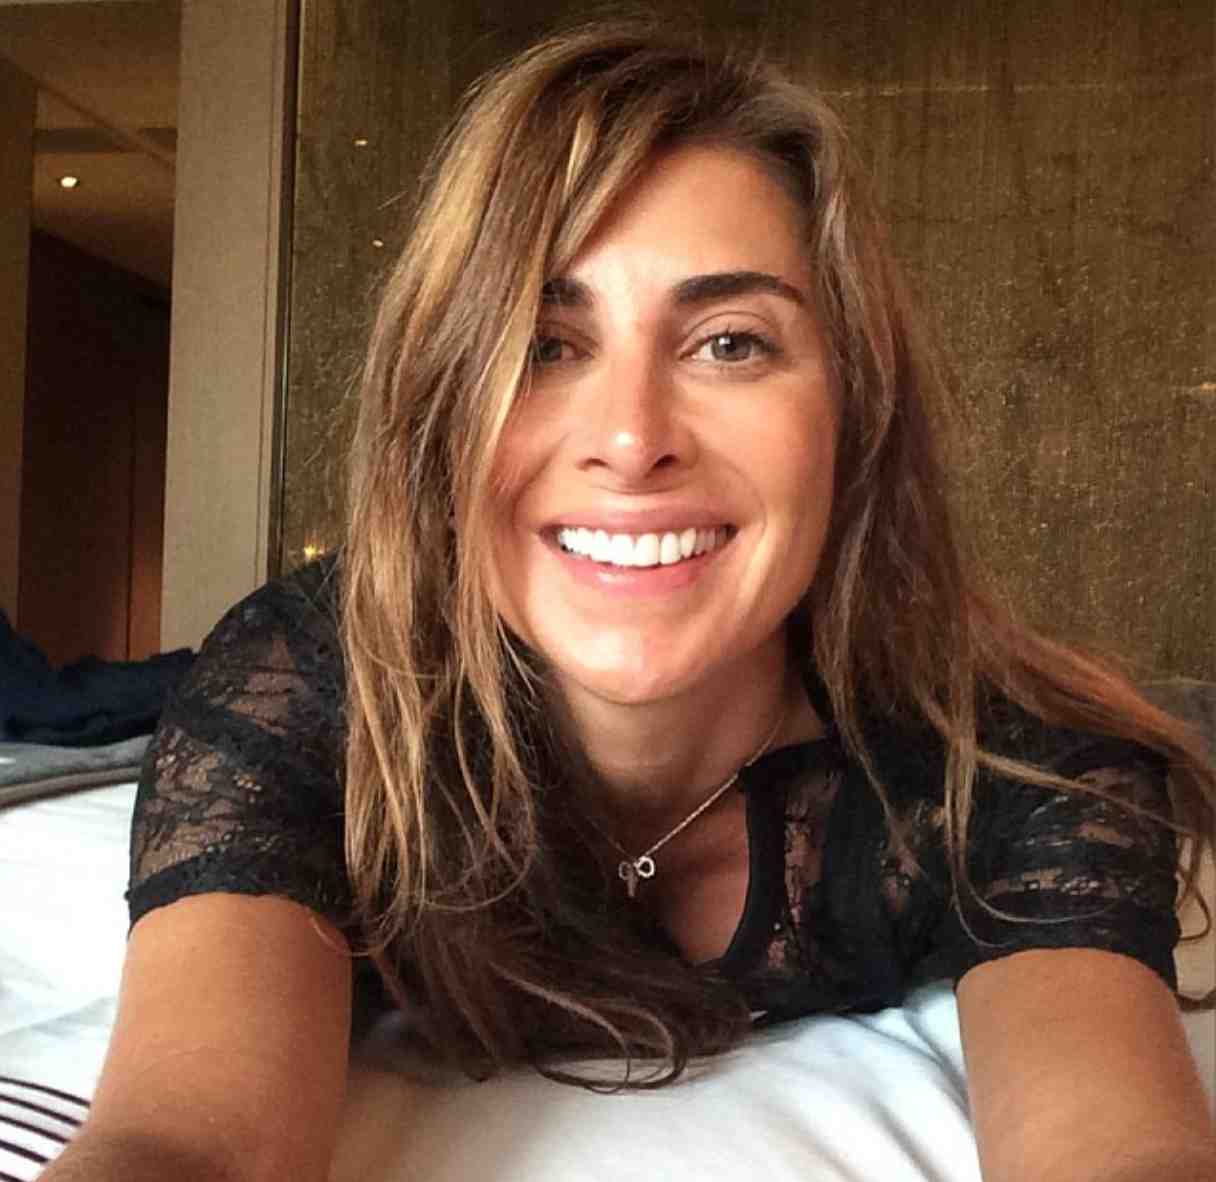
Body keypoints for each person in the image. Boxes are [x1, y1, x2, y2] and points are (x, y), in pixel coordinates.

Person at [42, 20, 1216, 1182]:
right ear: (439, 412)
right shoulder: (304, 689)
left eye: (729, 344)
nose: (630, 437)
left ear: (852, 415)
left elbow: (1118, 1152)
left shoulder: (1009, 761)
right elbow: (187, 1142)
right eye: (544, 345)